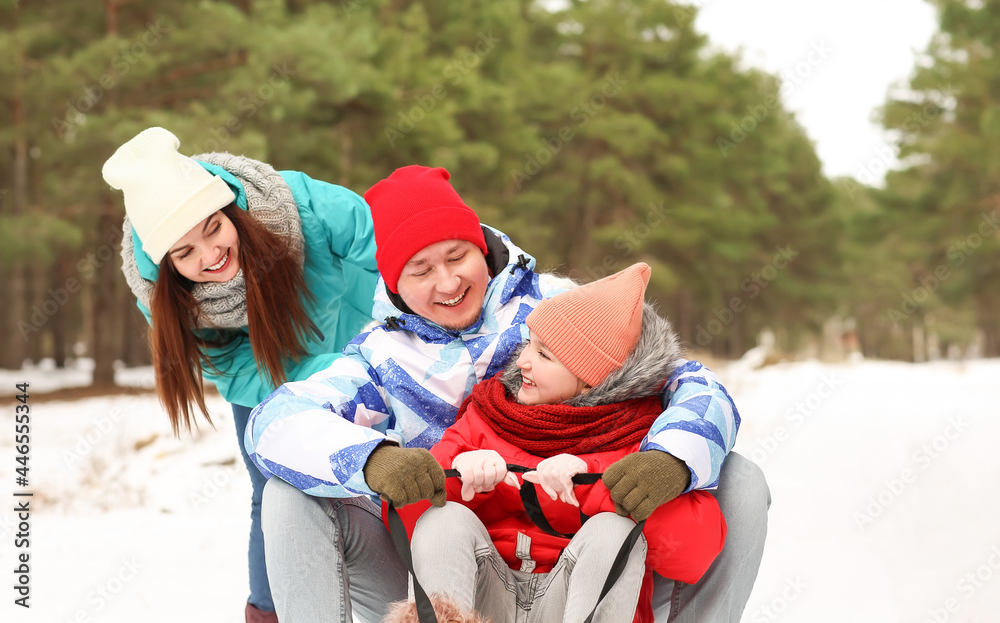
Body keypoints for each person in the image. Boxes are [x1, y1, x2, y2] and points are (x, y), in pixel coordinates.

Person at [246, 165, 768, 623]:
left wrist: (671, 461)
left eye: (457, 256)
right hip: (439, 564)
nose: (447, 280)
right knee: (288, 493)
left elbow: (690, 382)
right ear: (395, 282)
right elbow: (275, 421)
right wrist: (375, 460)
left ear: (483, 247)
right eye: (421, 270)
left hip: (584, 562)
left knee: (740, 478)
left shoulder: (557, 308)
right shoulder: (379, 358)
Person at [102, 127, 379, 623]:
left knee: (385, 468)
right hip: (261, 376)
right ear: (166, 264)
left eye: (212, 229)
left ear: (229, 209)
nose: (209, 256)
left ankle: (412, 596)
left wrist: (407, 319)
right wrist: (302, 402)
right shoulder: (158, 294)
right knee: (274, 490)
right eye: (184, 253)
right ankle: (270, 612)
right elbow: (222, 361)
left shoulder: (293, 203)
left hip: (354, 332)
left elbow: (380, 238)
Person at [384, 262, 727, 623]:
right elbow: (407, 520)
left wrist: (588, 487)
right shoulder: (488, 413)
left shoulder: (638, 438)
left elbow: (694, 552)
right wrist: (463, 483)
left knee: (613, 530)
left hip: (572, 603)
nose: (523, 362)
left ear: (591, 381)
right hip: (486, 598)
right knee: (443, 520)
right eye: (530, 344)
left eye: (544, 355)